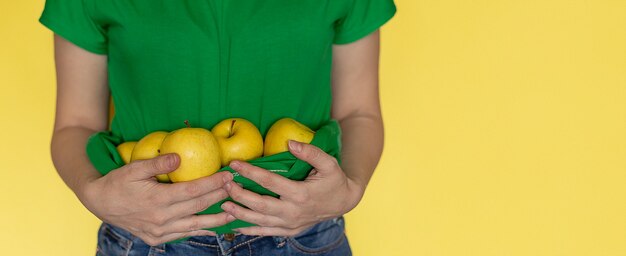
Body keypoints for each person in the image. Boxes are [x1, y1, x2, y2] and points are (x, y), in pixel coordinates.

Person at [41, 0, 396, 255]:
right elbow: (76, 124)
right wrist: (93, 192)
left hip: (302, 233)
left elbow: (359, 111)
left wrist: (351, 188)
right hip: (148, 236)